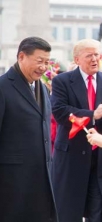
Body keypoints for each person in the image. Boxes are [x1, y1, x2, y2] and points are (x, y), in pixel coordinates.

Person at [51, 39, 102, 222]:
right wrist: (93, 114)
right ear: (77, 60)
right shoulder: (62, 81)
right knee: (69, 211)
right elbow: (60, 112)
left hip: (101, 158)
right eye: (89, 56)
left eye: (97, 55)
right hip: (72, 157)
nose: (95, 59)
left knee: (99, 212)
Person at [0, 37, 57, 221]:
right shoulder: (3, 87)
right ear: (21, 57)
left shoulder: (42, 88)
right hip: (12, 184)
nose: (43, 67)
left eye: (47, 62)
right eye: (39, 61)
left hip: (41, 181)